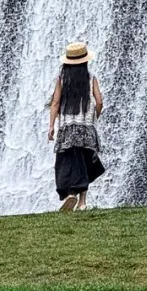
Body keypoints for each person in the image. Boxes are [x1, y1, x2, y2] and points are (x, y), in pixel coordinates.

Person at [48, 41, 104, 212]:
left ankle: (69, 194)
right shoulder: (91, 78)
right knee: (84, 163)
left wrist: (51, 126)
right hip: (86, 129)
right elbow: (99, 102)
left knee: (66, 162)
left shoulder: (62, 80)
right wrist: (94, 118)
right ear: (85, 61)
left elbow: (55, 103)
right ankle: (82, 202)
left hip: (67, 129)